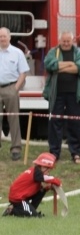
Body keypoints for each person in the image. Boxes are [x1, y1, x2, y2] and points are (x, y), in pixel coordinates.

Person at [44, 31, 80, 163]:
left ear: (72, 41)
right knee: (55, 123)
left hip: (75, 95)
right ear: (59, 41)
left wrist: (60, 67)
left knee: (75, 123)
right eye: (63, 41)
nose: (65, 43)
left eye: (68, 41)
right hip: (56, 94)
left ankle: (75, 152)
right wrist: (70, 65)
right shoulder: (53, 52)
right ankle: (54, 153)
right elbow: (49, 64)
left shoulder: (78, 52)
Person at [0, 27, 29, 161]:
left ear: (10, 37)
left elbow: (23, 73)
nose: (2, 38)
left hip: (11, 87)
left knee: (14, 119)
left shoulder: (17, 53)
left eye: (4, 36)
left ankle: (16, 148)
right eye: (0, 36)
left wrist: (15, 89)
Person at [3, 152, 61, 217]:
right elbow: (48, 179)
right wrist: (57, 181)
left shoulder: (35, 172)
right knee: (33, 216)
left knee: (42, 190)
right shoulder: (37, 173)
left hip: (22, 196)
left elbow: (38, 187)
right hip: (19, 198)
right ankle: (12, 210)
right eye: (48, 170)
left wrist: (47, 187)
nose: (48, 173)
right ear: (43, 167)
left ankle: (30, 209)